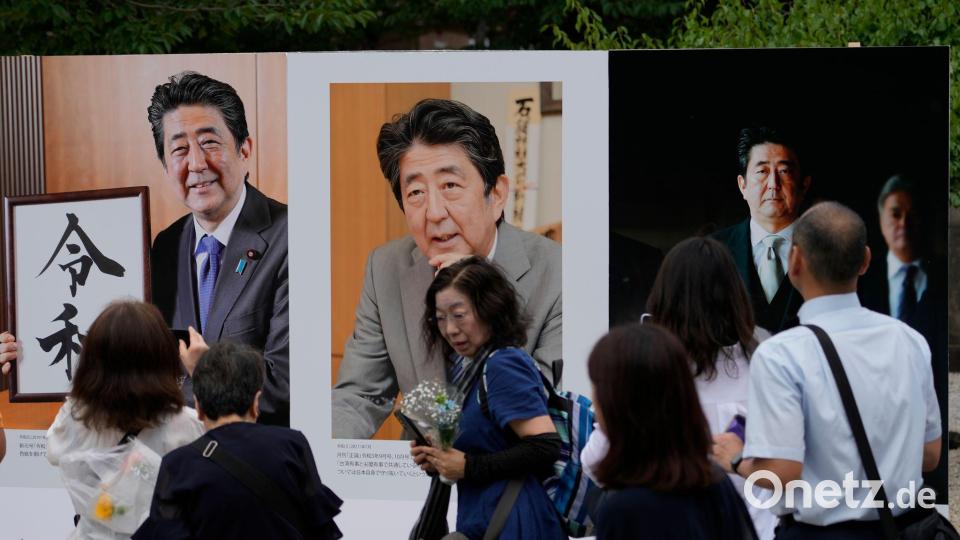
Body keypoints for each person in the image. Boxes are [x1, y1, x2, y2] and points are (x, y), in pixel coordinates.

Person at [333, 98, 561, 439]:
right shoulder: (386, 268)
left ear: (497, 194)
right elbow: (360, 396)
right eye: (416, 193)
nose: (434, 212)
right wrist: (319, 455)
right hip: (419, 466)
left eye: (450, 186)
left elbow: (540, 407)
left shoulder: (558, 273)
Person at [713, 202, 942, 537]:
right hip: (903, 529)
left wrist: (735, 459)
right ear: (865, 260)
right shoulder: (910, 341)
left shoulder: (779, 355)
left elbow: (782, 473)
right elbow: (930, 455)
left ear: (794, 261)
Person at [147, 71, 290, 427]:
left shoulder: (290, 236)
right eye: (179, 149)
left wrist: (205, 371)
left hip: (255, 449)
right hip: (176, 448)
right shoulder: (166, 246)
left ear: (245, 149)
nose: (197, 164)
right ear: (165, 165)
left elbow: (284, 384)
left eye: (209, 143)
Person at [410, 256, 564, 540]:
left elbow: (545, 446)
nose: (450, 329)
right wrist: (438, 458)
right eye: (440, 318)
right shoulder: (469, 368)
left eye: (459, 315)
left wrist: (468, 466)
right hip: (486, 519)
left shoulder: (503, 364)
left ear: (490, 310)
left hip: (517, 523)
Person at [133, 341, 343, 539]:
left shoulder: (177, 465)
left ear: (198, 407)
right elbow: (321, 530)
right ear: (256, 403)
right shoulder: (292, 445)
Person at [45, 301, 204, 538]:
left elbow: (53, 452)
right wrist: (202, 373)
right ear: (162, 357)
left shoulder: (75, 418)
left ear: (91, 360)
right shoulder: (185, 424)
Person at [587, 324, 757, 540]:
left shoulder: (623, 510)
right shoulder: (715, 483)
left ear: (618, 402)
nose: (593, 399)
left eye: (598, 387)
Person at [858, 174, 948, 500]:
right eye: (896, 213)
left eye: (913, 215)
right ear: (881, 217)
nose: (904, 224)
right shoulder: (860, 284)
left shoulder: (945, 279)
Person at [712, 127, 811, 333]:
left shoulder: (827, 250)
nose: (773, 184)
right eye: (762, 171)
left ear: (804, 185)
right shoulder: (713, 251)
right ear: (742, 185)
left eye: (784, 171)